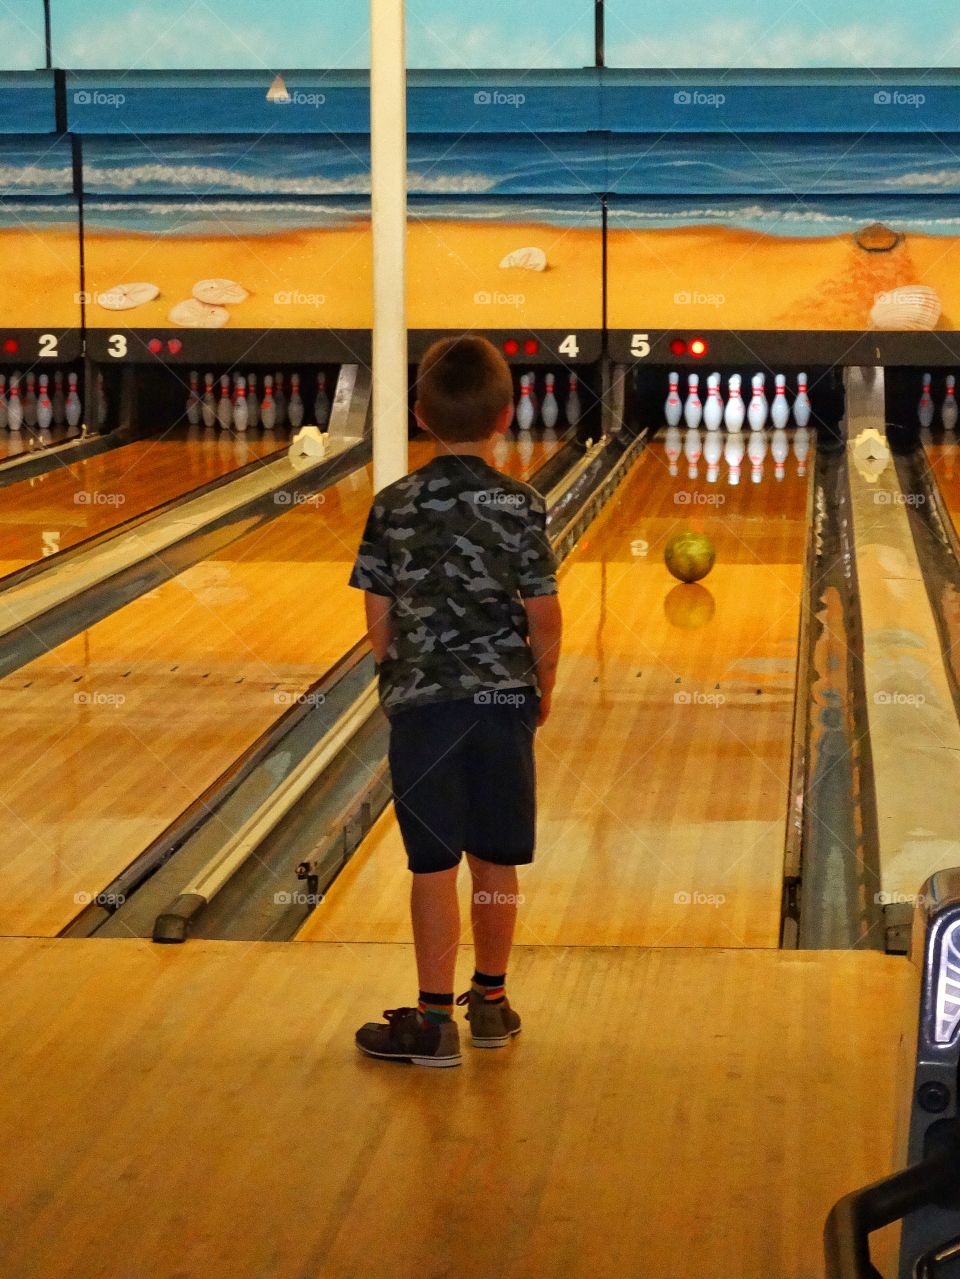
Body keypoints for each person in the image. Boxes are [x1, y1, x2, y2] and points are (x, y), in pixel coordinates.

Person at [349, 336, 562, 1068]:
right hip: (503, 703)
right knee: (496, 858)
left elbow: (377, 613)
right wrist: (540, 689)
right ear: (506, 415)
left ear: (418, 413)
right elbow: (544, 615)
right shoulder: (522, 503)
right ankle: (493, 1004)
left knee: (432, 863)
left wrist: (394, 677)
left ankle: (435, 1020)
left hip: (424, 707)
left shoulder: (393, 502)